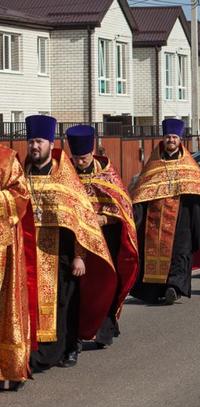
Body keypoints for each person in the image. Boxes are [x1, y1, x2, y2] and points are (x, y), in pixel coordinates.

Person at [24, 115, 117, 369]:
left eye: (39, 141)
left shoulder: (64, 176)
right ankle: (35, 353)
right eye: (31, 141)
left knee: (65, 302)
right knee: (33, 302)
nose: (34, 146)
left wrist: (80, 255)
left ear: (50, 143)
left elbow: (80, 218)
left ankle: (68, 349)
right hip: (31, 253)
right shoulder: (23, 174)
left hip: (62, 252)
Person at [129, 119, 200, 305]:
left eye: (174, 137)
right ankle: (155, 290)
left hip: (182, 217)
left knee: (181, 252)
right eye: (168, 137)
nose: (171, 140)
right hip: (154, 220)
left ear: (180, 140)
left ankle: (174, 287)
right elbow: (140, 192)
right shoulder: (153, 164)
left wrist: (199, 218)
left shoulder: (189, 164)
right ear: (163, 139)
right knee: (153, 253)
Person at [66, 125, 138, 350]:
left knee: (105, 284)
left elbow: (124, 208)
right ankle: (75, 334)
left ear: (92, 152)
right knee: (77, 288)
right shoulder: (66, 175)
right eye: (76, 158)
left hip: (107, 239)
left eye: (84, 158)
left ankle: (104, 329)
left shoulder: (107, 174)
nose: (80, 162)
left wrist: (104, 220)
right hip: (76, 240)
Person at [0, 144, 31, 391]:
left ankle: (8, 368)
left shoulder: (8, 158)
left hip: (5, 246)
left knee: (6, 306)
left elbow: (21, 194)